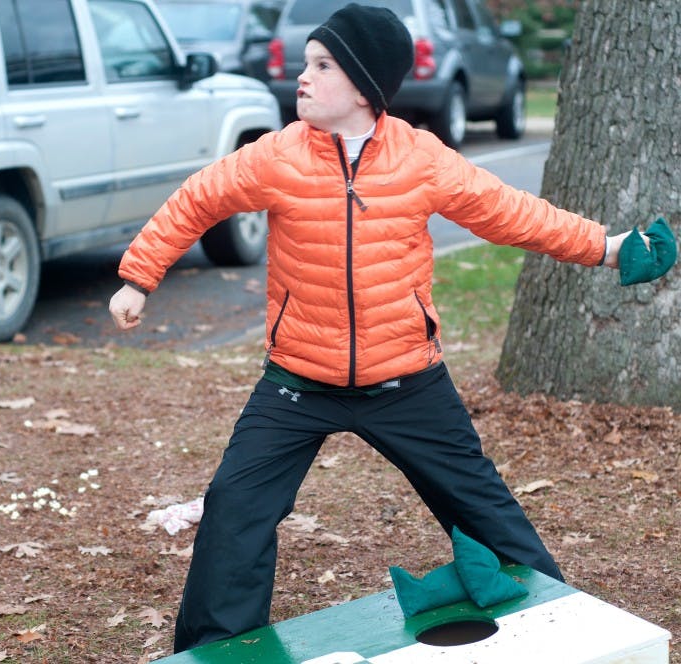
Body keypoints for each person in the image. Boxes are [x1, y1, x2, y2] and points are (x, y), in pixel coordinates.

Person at [108, 3, 651, 653]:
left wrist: (610, 247)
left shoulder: (420, 160)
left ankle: (557, 626)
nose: (301, 76)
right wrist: (140, 276)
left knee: (483, 509)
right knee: (235, 509)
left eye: (321, 64)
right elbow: (198, 198)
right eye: (305, 64)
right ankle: (216, 646)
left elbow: (512, 214)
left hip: (408, 380)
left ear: (364, 86)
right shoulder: (277, 156)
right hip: (298, 380)